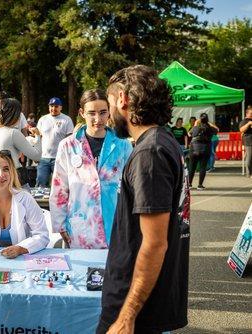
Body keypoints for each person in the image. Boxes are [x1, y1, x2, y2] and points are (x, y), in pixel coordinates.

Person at [97, 65, 190, 334]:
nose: (109, 113)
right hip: (142, 303)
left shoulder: (151, 153)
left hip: (134, 308)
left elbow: (155, 243)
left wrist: (127, 315)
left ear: (123, 99)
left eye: (111, 101)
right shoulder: (160, 142)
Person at [50, 89, 132, 249]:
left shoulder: (123, 146)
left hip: (115, 225)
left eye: (103, 113)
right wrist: (60, 224)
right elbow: (60, 188)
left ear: (109, 112)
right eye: (91, 113)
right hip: (79, 227)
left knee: (113, 271)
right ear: (82, 113)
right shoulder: (68, 145)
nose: (97, 119)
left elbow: (132, 189)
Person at [0, 98, 42, 186]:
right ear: (14, 115)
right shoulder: (13, 133)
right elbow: (37, 156)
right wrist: (37, 136)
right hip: (14, 181)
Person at [36, 97, 74, 187]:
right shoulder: (43, 119)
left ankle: (59, 201)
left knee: (61, 184)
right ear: (49, 107)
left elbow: (70, 139)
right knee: (40, 183)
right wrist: (36, 153)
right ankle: (40, 201)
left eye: (56, 106)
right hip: (43, 157)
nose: (53, 108)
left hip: (59, 158)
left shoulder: (66, 120)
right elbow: (38, 137)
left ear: (61, 107)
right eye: (51, 106)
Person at [188, 113, 218, 190]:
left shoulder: (196, 127)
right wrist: (209, 123)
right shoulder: (210, 128)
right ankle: (200, 185)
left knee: (192, 167)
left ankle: (189, 184)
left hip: (194, 149)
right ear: (207, 120)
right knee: (202, 167)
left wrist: (195, 124)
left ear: (200, 119)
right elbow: (217, 129)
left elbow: (189, 134)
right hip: (205, 149)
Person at [239, 105, 252, 178]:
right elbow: (241, 130)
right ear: (247, 114)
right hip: (249, 142)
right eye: (251, 113)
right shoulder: (244, 121)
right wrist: (248, 124)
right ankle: (249, 173)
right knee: (249, 158)